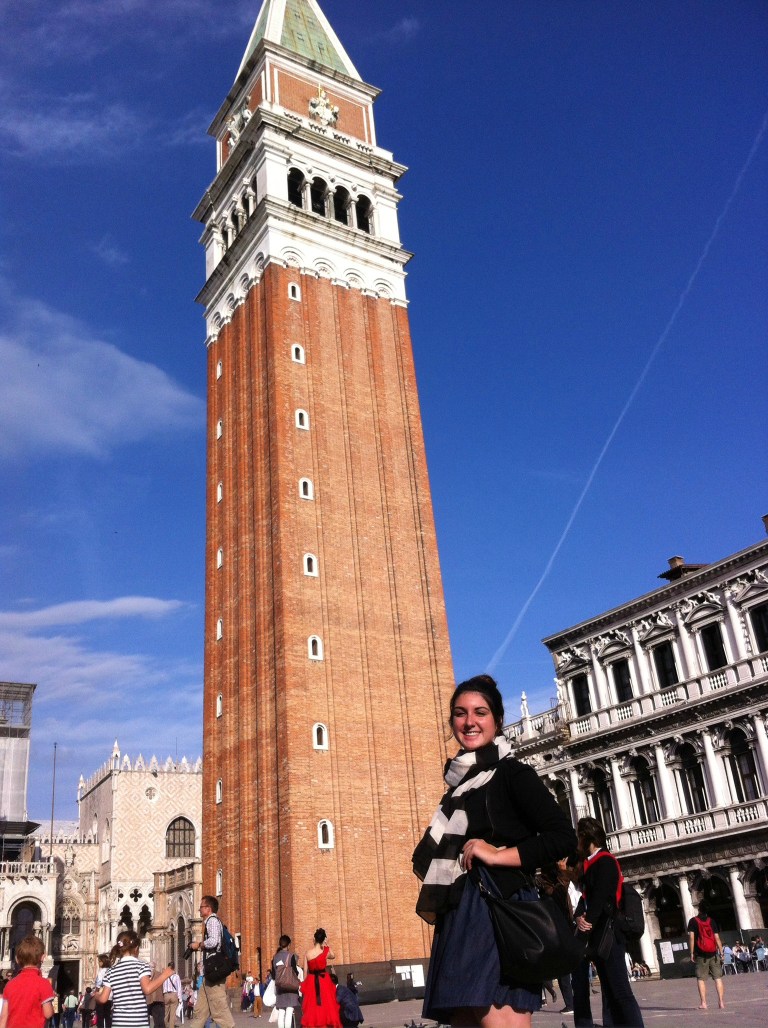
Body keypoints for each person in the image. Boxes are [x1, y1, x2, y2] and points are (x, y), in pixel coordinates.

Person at [413, 674, 577, 1028]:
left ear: (497, 720)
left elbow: (563, 836)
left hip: (499, 912)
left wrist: (498, 854)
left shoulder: (510, 773)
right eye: (460, 713)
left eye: (480, 712)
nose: (469, 722)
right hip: (460, 914)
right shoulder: (458, 785)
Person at [574, 817, 644, 1028]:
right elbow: (586, 897)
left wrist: (587, 922)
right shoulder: (591, 863)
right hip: (599, 933)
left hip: (609, 934)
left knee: (621, 991)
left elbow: (602, 897)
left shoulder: (605, 861)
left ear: (587, 838)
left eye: (579, 837)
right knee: (610, 990)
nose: (577, 842)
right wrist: (580, 916)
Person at [93, 931, 173, 1028]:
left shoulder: (111, 971)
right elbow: (147, 989)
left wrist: (96, 995)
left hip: (119, 1023)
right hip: (139, 1023)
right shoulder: (142, 967)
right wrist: (164, 975)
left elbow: (103, 998)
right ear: (136, 949)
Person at [186, 896, 235, 1028]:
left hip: (214, 971)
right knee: (200, 1012)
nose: (199, 909)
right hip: (208, 974)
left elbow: (214, 941)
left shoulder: (212, 920)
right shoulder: (209, 922)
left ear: (208, 908)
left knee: (220, 1012)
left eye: (201, 907)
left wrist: (199, 945)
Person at [3, 935, 55, 1028]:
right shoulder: (43, 984)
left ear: (17, 959)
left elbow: (4, 1016)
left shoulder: (9, 984)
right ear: (43, 957)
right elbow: (48, 1014)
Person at [299, 930, 340, 1028]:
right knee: (326, 1004)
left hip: (311, 980)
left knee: (312, 1006)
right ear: (323, 939)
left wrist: (305, 985)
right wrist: (327, 943)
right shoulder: (325, 951)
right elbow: (333, 955)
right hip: (324, 980)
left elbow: (305, 971)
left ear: (314, 939)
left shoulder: (308, 953)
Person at [687, 904, 725, 1010]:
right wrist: (721, 952)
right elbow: (717, 938)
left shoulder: (693, 921)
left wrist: (691, 952)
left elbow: (691, 937)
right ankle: (721, 1002)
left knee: (701, 979)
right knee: (718, 978)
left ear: (698, 910)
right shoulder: (711, 921)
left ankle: (704, 1003)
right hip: (714, 953)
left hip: (701, 955)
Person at [272, 937, 301, 1028]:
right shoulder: (291, 955)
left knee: (281, 1011)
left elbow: (273, 974)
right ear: (288, 945)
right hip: (290, 986)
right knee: (289, 1011)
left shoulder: (275, 957)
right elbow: (295, 971)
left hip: (280, 987)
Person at [94, 955, 112, 1028]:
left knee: (100, 1016)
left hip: (102, 995)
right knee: (108, 1016)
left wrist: (96, 992)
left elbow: (98, 983)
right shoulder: (111, 970)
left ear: (103, 962)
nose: (99, 963)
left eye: (99, 961)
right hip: (110, 996)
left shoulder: (101, 971)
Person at [162, 964, 182, 1028]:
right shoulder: (176, 976)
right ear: (174, 968)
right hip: (174, 994)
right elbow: (179, 988)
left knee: (166, 1013)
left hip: (166, 995)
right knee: (173, 1014)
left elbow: (163, 986)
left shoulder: (164, 976)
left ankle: (165, 1026)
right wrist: (180, 998)